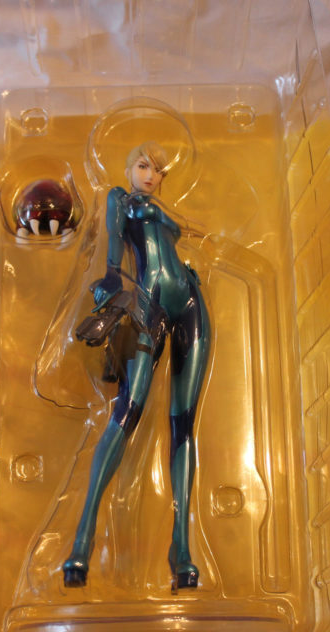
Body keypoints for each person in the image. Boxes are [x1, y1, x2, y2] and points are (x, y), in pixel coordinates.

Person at [63, 142, 211, 590]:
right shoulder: (118, 197)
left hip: (189, 300)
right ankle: (83, 539)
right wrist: (111, 277)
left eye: (158, 170)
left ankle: (181, 547)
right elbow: (113, 244)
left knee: (184, 421)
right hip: (148, 300)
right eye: (144, 166)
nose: (151, 175)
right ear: (129, 168)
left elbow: (193, 235)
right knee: (128, 410)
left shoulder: (163, 209)